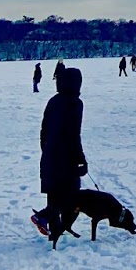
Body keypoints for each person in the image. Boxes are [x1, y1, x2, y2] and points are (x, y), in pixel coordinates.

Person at [36, 65, 87, 245]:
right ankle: (44, 217)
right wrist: (80, 159)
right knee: (71, 196)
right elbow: (73, 134)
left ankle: (54, 233)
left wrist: (48, 150)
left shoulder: (54, 101)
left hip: (50, 157)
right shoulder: (74, 103)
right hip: (66, 159)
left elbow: (44, 130)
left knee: (54, 195)